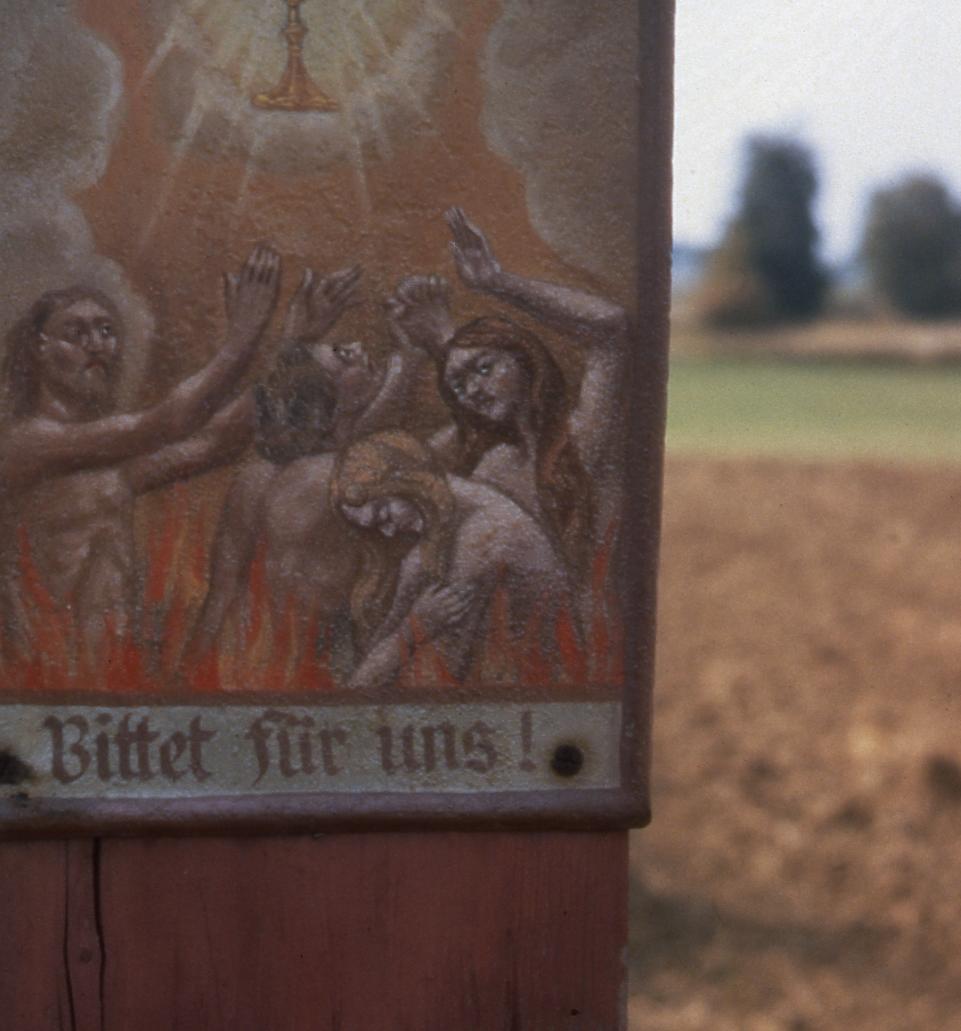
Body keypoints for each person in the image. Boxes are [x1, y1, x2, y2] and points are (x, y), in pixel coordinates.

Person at [0, 244, 282, 654]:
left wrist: (291, 345)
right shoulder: (23, 443)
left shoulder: (99, 464)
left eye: (106, 330)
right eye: (76, 333)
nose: (96, 344)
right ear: (39, 347)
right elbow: (166, 423)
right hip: (45, 672)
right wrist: (240, 341)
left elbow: (215, 443)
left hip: (115, 666)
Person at [184, 264, 425, 676]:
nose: (357, 347)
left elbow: (220, 599)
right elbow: (379, 423)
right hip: (318, 658)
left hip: (254, 656)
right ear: (327, 405)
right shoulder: (331, 475)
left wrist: (187, 675)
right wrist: (411, 355)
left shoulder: (255, 476)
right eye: (343, 356)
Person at [387, 208, 631, 575]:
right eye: (458, 387)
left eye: (485, 367)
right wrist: (418, 354)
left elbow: (611, 328)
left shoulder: (582, 436)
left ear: (525, 360)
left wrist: (497, 282)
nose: (473, 390)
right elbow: (396, 469)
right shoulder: (493, 466)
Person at [331, 431, 569, 687]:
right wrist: (412, 627)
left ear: (407, 481)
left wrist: (414, 628)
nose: (389, 533)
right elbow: (368, 670)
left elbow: (442, 672)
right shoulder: (432, 543)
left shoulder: (482, 538)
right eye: (377, 528)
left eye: (384, 515)